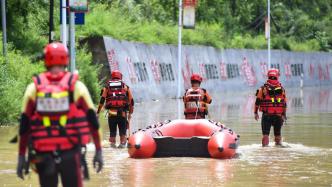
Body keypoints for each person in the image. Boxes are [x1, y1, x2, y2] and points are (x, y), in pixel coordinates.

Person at [16, 42, 103, 187]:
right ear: (66, 60)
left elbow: (24, 127)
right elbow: (94, 122)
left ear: (46, 60)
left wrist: (21, 157)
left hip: (43, 156)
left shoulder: (34, 88)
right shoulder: (77, 87)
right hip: (71, 154)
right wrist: (99, 151)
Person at [97, 70, 134, 148]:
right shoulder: (125, 87)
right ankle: (122, 146)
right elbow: (132, 101)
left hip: (111, 114)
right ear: (120, 76)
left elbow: (102, 100)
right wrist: (130, 113)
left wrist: (98, 112)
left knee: (112, 136)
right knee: (123, 137)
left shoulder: (107, 87)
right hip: (123, 115)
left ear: (112, 76)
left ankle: (112, 149)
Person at [254, 68, 287, 147]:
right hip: (278, 116)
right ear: (277, 76)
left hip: (267, 115)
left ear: (268, 76)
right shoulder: (282, 89)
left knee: (265, 135)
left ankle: (265, 150)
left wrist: (255, 112)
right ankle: (278, 149)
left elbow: (257, 102)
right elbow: (284, 104)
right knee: (278, 136)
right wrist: (284, 115)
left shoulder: (263, 89)